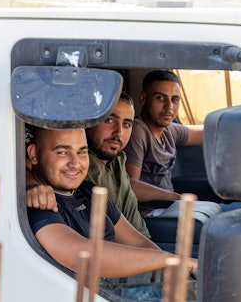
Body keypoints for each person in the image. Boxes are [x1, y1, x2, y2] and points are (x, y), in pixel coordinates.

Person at [26, 126, 196, 278]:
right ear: (34, 154)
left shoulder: (89, 192)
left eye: (82, 152)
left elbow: (140, 243)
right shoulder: (39, 202)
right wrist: (167, 260)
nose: (75, 163)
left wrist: (168, 271)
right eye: (62, 152)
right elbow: (81, 256)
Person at [26, 92, 176, 238]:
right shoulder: (76, 172)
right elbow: (31, 163)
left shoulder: (117, 159)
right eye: (109, 121)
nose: (118, 132)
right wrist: (30, 184)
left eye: (126, 124)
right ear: (90, 122)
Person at [124, 70, 203, 194]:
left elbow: (207, 133)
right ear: (143, 99)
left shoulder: (169, 130)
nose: (169, 107)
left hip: (168, 206)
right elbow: (130, 188)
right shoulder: (138, 132)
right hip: (150, 210)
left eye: (175, 99)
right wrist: (176, 198)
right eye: (160, 98)